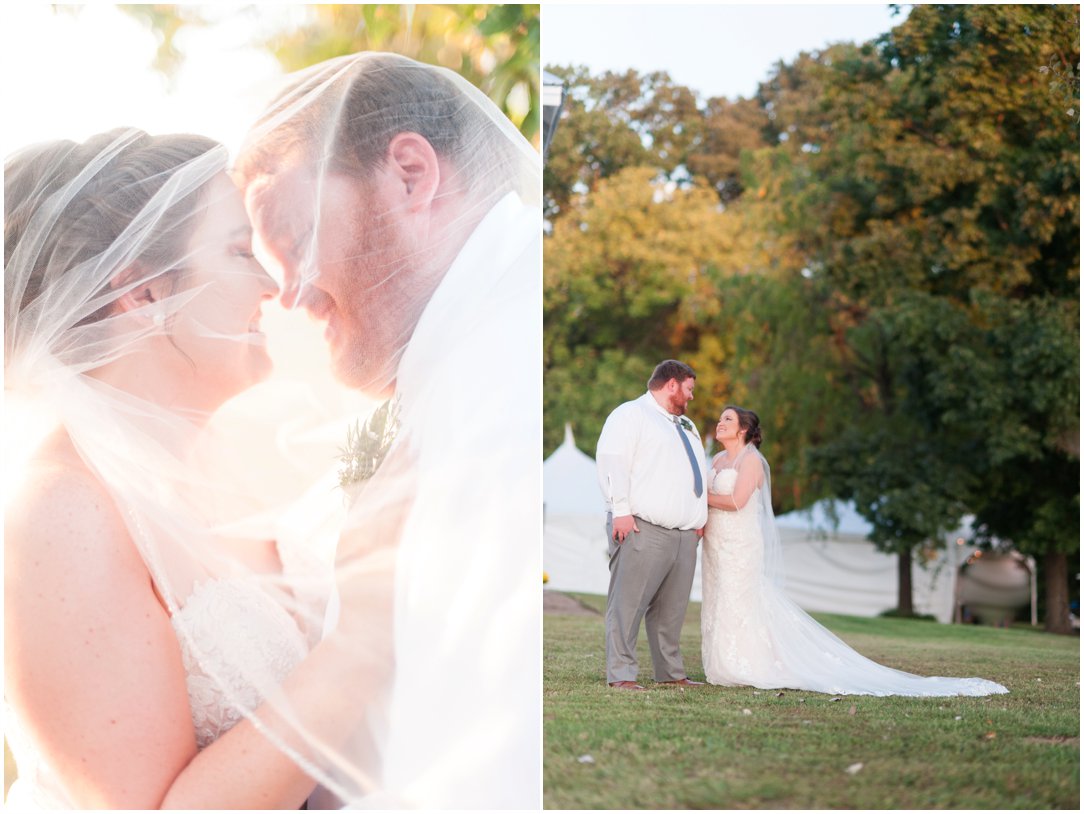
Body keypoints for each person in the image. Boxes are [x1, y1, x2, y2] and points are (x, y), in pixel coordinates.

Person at [3, 128, 393, 809]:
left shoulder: (229, 460)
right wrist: (362, 641)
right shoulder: (64, 513)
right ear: (143, 292)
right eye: (241, 251)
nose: (276, 284)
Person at [235, 52, 541, 808]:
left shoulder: (504, 376)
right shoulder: (462, 348)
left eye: (298, 244)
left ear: (409, 174)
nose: (287, 296)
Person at [700, 405, 1009, 697]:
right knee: (718, 598)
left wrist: (700, 498)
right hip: (716, 543)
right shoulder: (716, 462)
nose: (721, 422)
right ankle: (722, 663)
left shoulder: (752, 461)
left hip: (740, 543)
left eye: (728, 419)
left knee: (739, 598)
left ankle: (746, 663)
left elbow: (738, 501)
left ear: (742, 430)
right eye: (721, 418)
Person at [595, 360, 708, 691]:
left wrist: (698, 518)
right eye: (689, 389)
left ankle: (670, 673)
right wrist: (620, 510)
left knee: (671, 611)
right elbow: (613, 461)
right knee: (627, 605)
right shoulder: (630, 415)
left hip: (684, 535)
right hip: (643, 526)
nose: (691, 397)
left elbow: (691, 472)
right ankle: (622, 674)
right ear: (671, 385)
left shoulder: (686, 424)